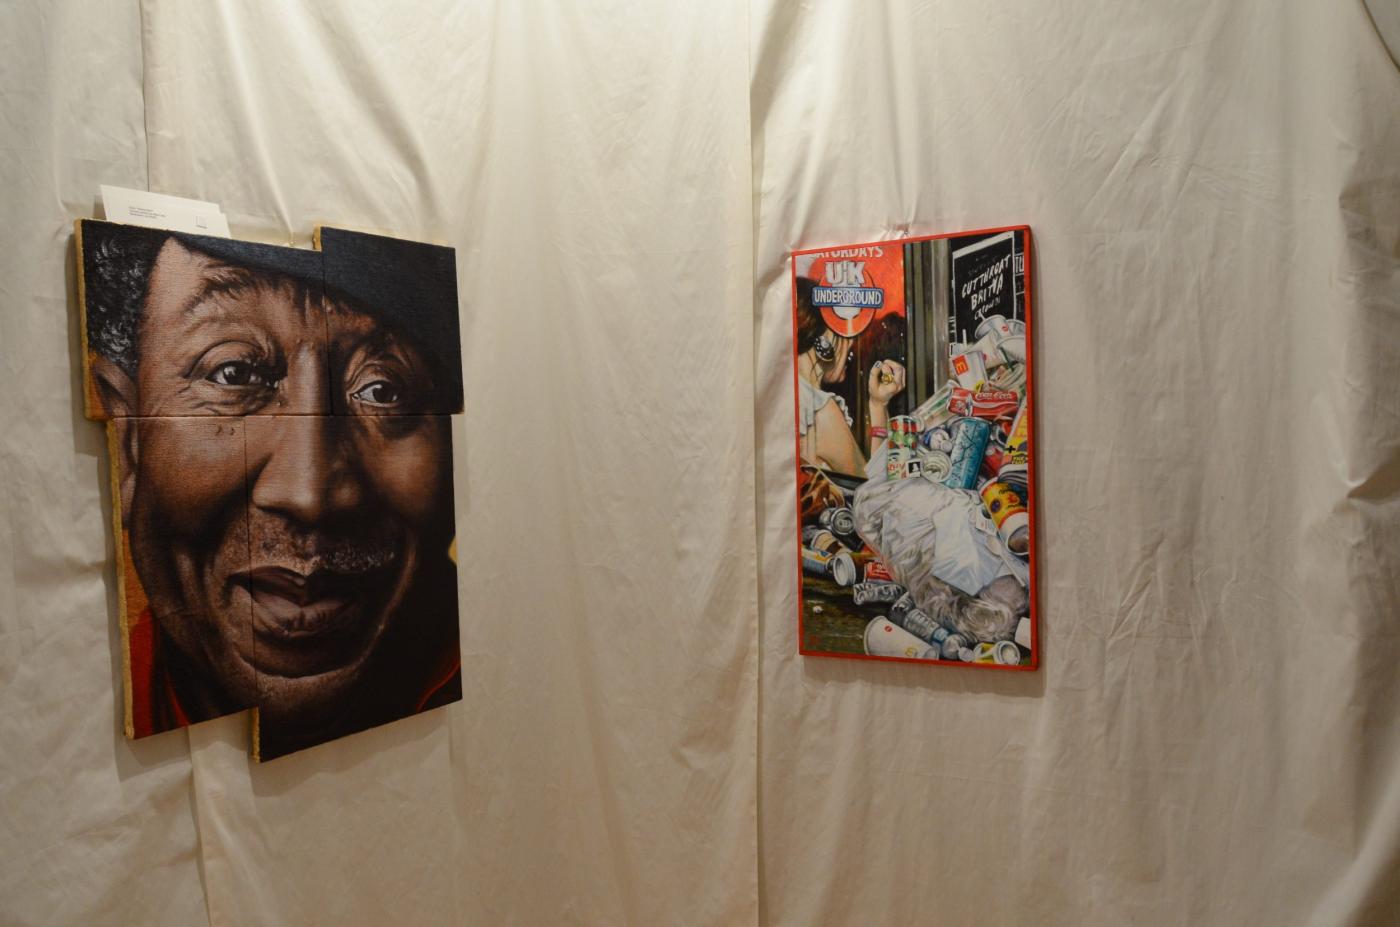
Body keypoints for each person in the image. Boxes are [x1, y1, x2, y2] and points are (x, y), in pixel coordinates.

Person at [79, 220, 463, 759]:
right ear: (128, 441)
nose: (309, 494)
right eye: (233, 374)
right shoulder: (78, 718)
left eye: (382, 390)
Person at [794, 276, 905, 476]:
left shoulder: (794, 395)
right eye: (841, 331)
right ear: (824, 340)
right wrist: (878, 407)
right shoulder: (820, 410)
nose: (851, 343)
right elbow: (872, 488)